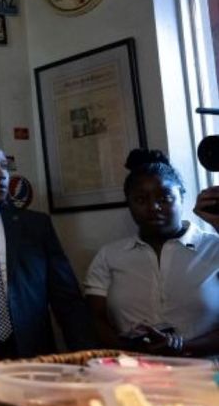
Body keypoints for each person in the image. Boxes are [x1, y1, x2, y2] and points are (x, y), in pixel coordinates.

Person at [0, 139, 96, 359]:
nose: (0, 174)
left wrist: (88, 356)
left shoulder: (35, 226)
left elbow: (67, 299)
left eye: (3, 166)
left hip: (29, 349)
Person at [84, 149, 219, 357]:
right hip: (134, 375)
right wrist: (130, 350)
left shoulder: (214, 247)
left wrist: (185, 347)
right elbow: (95, 318)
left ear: (182, 196)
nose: (153, 207)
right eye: (140, 200)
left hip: (205, 374)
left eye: (164, 198)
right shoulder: (109, 256)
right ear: (129, 204)